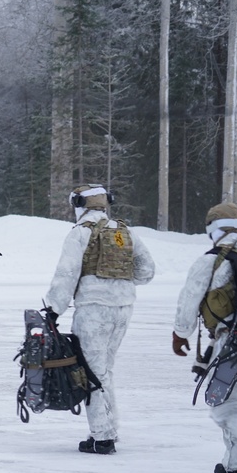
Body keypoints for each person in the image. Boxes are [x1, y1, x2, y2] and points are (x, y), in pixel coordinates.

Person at [44, 184, 154, 454]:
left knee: (92, 372)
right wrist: (120, 284)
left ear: (79, 204)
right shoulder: (124, 231)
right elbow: (147, 270)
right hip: (124, 307)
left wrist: (53, 310)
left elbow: (66, 274)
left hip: (94, 310)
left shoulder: (80, 233)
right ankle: (109, 429)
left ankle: (102, 437)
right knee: (106, 369)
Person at [172, 202, 237, 473]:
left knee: (228, 404)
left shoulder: (214, 259)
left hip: (232, 342)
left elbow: (189, 300)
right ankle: (233, 462)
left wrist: (180, 334)